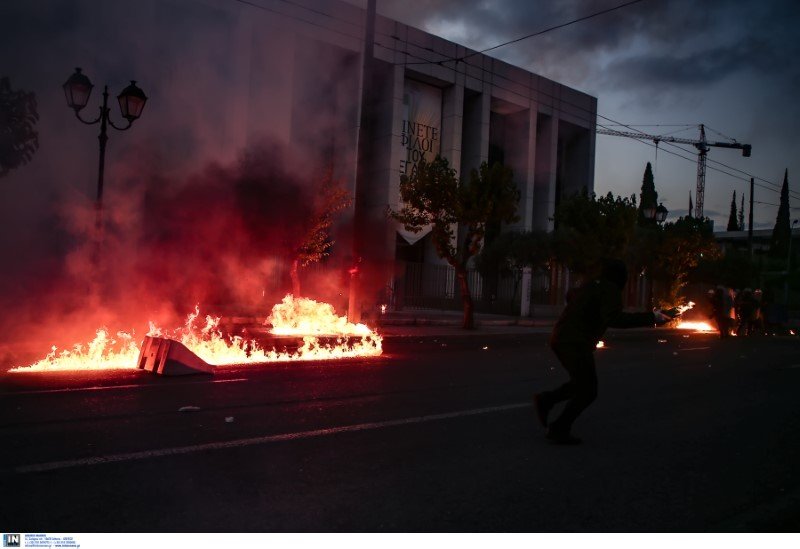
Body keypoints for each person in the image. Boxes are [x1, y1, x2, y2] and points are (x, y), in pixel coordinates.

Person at [533, 258, 673, 445]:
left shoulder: (591, 285)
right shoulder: (610, 289)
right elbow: (615, 319)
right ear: (620, 277)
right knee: (588, 391)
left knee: (581, 383)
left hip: (561, 338)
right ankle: (558, 427)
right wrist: (651, 318)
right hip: (575, 342)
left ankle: (547, 401)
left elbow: (570, 295)